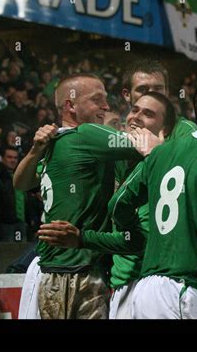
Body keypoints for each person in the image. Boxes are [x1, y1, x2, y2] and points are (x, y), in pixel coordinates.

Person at [47, 73, 197, 319]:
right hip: (184, 289)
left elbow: (119, 203)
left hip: (144, 289)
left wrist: (132, 236)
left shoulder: (159, 155)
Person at [14, 73, 160, 319]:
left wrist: (34, 149)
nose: (106, 106)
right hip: (82, 268)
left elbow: (21, 183)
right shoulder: (87, 134)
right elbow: (149, 148)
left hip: (53, 270)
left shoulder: (56, 142)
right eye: (97, 100)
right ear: (70, 105)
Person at [38, 91, 176, 319]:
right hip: (119, 285)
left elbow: (139, 241)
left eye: (149, 114)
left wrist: (83, 238)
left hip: (152, 287)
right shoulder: (115, 161)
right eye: (134, 110)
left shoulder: (164, 173)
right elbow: (25, 182)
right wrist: (36, 149)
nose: (137, 117)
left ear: (165, 131)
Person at [121, 59, 197, 139]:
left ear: (166, 92)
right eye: (142, 89)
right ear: (127, 94)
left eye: (158, 89)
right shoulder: (115, 130)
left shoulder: (185, 131)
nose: (152, 95)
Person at [0, 146, 27, 242]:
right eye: (9, 157)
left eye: (15, 158)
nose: (13, 160)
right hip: (5, 224)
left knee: (23, 254)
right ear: (2, 159)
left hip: (22, 223)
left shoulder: (20, 174)